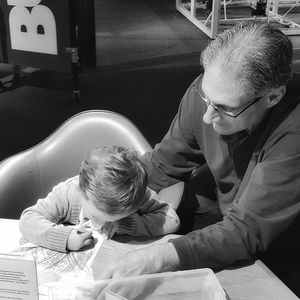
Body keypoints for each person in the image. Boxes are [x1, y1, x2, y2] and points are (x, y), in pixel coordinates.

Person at [97, 20, 300, 281]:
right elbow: (163, 164)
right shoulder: (207, 93)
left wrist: (158, 257)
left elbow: (248, 230)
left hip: (282, 250)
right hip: (230, 226)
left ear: (272, 97)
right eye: (207, 99)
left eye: (224, 108)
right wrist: (101, 190)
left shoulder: (293, 130)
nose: (206, 117)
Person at [19, 146, 180, 252]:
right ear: (81, 191)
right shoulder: (69, 193)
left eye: (114, 218)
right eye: (94, 217)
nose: (100, 225)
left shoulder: (138, 193)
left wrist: (124, 225)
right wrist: (65, 238)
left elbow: (172, 219)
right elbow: (28, 219)